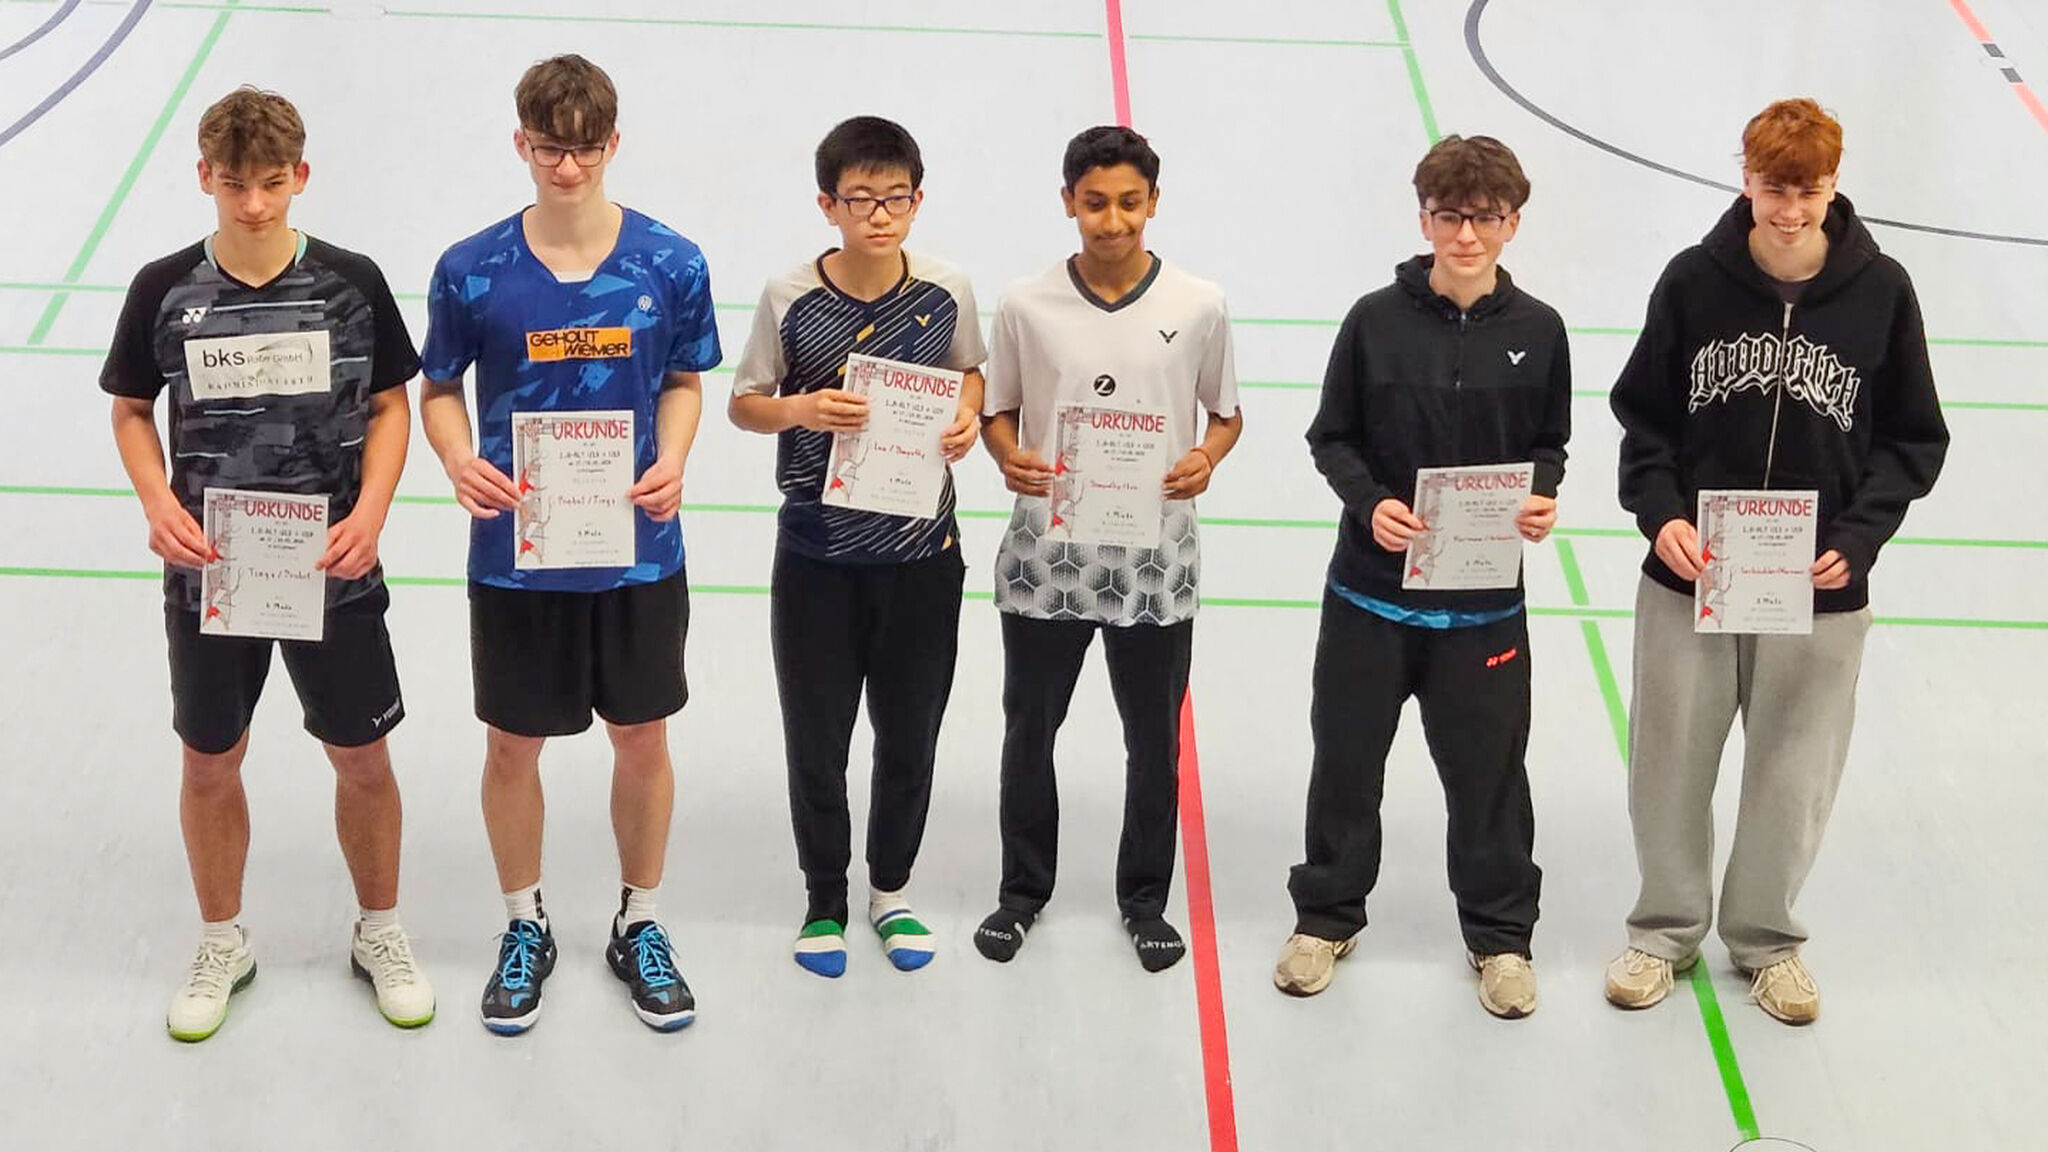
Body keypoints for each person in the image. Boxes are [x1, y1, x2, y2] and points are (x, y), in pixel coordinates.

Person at [1603, 98, 1948, 1024]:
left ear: (1833, 186)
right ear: (1745, 179)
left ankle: (1766, 941)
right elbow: (1644, 418)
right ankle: (1662, 932)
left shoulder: (1883, 292)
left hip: (1820, 588)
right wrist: (1661, 517)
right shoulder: (1692, 282)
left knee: (1795, 772)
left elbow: (1914, 438)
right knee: (1669, 760)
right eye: (1773, 189)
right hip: (1692, 575)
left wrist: (1859, 537)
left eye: (1809, 191)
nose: (1790, 211)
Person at [103, 86, 433, 1041]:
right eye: (235, 184)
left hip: (334, 567)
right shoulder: (162, 288)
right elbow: (130, 409)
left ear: (302, 177)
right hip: (212, 573)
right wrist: (158, 504)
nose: (254, 204)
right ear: (204, 177)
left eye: (273, 183)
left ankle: (380, 930)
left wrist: (371, 514)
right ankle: (223, 941)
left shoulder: (351, 283)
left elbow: (391, 406)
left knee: (363, 758)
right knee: (211, 763)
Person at [418, 54, 721, 1034]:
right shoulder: (471, 269)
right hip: (519, 554)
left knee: (644, 736)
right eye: (549, 148)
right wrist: (458, 459)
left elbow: (685, 380)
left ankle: (640, 920)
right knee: (514, 743)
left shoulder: (671, 263)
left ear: (613, 144)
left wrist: (674, 457)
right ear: (521, 142)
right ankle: (525, 922)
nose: (566, 167)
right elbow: (437, 389)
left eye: (585, 149)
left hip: (639, 550)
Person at [1275, 135, 1571, 1019]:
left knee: (1491, 780)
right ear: (1424, 219)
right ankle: (1325, 918)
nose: (1466, 235)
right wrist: (1370, 505)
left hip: (1483, 614)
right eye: (1449, 216)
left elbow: (1548, 444)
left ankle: (1501, 938)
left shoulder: (1540, 332)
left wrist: (1542, 497)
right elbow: (1332, 437)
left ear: (1513, 222)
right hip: (1368, 602)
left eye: (1485, 218)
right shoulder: (1374, 322)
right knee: (1345, 765)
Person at [973, 125, 1242, 973]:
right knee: (1030, 730)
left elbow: (1225, 415)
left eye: (1130, 203)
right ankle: (1022, 892)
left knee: (1153, 741)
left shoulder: (1198, 303)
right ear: (1068, 202)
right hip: (1045, 560)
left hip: (1154, 565)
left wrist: (1206, 459)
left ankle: (1144, 900)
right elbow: (996, 411)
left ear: (1154, 202)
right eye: (1095, 203)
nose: (1113, 220)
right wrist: (1006, 454)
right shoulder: (1025, 305)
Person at [729, 115, 986, 978]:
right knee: (818, 740)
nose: (879, 215)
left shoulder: (947, 289)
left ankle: (891, 894)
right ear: (827, 205)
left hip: (923, 557)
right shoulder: (790, 295)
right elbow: (745, 403)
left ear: (917, 201)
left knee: (910, 737)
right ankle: (825, 900)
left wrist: (966, 417)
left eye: (895, 198)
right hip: (818, 558)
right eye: (861, 199)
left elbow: (971, 372)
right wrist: (801, 409)